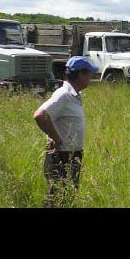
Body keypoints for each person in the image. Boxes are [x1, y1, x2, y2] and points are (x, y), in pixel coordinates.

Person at [33, 55, 98, 206]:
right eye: (89, 73)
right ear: (80, 74)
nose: (91, 77)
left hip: (71, 155)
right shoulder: (64, 95)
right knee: (56, 200)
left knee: (66, 198)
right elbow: (40, 115)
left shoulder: (74, 95)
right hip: (61, 156)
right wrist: (56, 139)